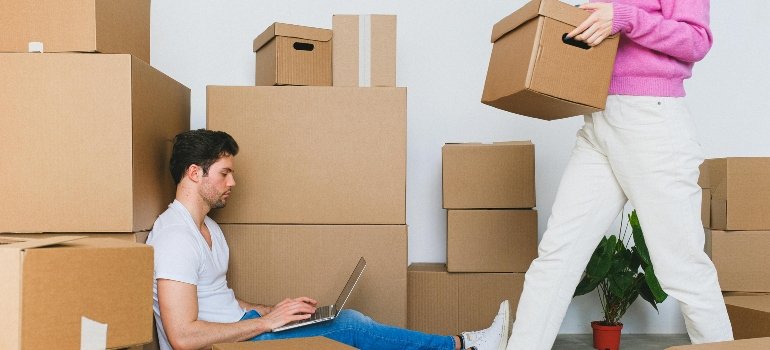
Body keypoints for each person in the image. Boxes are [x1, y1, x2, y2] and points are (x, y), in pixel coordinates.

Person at [147, 129, 511, 350]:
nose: (233, 183)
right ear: (195, 173)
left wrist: (271, 309)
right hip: (227, 345)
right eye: (225, 174)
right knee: (349, 326)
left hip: (244, 329)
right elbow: (182, 336)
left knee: (346, 319)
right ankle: (464, 345)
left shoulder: (208, 228)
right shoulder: (176, 238)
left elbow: (217, 298)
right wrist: (265, 324)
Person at [505, 1, 733, 349]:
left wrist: (626, 18)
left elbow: (696, 40)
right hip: (599, 116)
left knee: (682, 267)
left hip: (650, 121)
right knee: (557, 255)